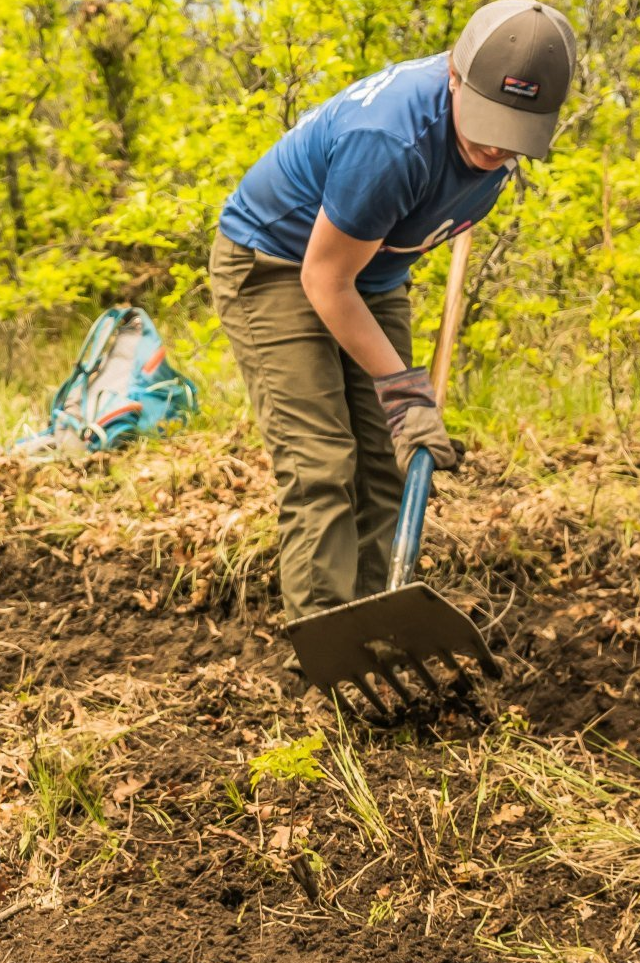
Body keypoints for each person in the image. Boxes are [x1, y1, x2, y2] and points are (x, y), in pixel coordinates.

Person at [209, 0, 578, 627]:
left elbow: (382, 249)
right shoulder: (389, 138)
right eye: (486, 121)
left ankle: (376, 628)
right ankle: (326, 647)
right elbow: (325, 278)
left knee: (387, 460)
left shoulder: (496, 134)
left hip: (371, 275)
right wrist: (407, 393)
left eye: (514, 131)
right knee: (322, 463)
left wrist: (400, 410)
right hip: (276, 266)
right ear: (454, 77)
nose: (496, 145)